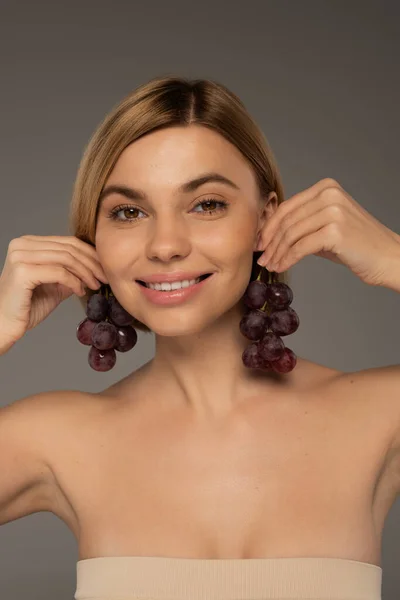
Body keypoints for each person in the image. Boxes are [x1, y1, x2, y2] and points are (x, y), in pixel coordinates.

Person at [2, 75, 399, 600]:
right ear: (94, 239)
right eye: (129, 211)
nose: (165, 245)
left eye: (206, 204)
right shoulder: (55, 438)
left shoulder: (379, 414)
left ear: (267, 220)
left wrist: (395, 258)